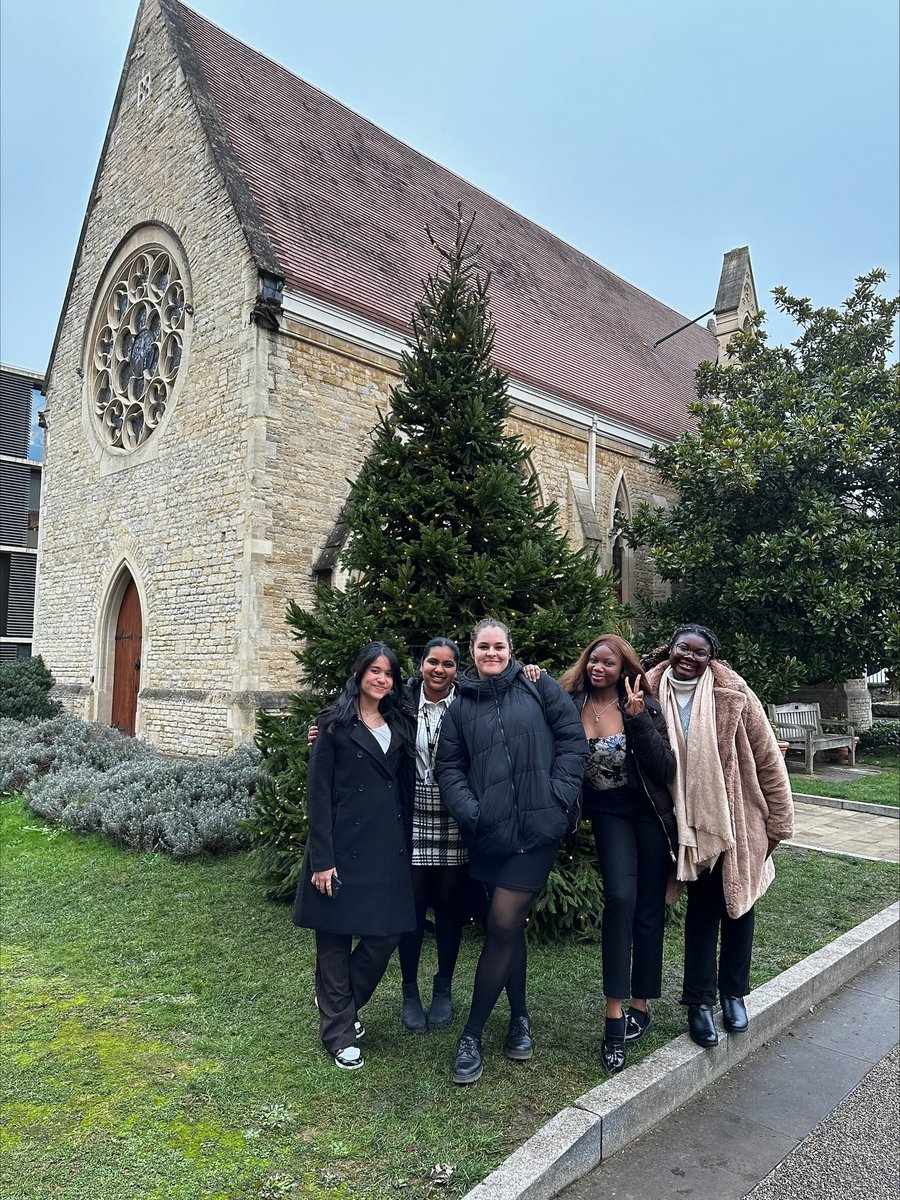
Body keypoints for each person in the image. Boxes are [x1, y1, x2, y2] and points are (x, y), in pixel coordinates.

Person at [435, 619, 588, 1084]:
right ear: (472, 651)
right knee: (508, 929)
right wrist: (472, 812)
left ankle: (472, 1035)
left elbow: (572, 741)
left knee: (502, 923)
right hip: (489, 833)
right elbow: (449, 767)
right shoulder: (460, 706)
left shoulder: (537, 687)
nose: (492, 653)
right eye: (483, 646)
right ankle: (520, 1018)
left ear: (510, 649)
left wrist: (558, 796)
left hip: (538, 830)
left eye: (499, 646)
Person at [644, 624, 794, 1047]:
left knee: (739, 905)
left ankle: (733, 993)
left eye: (700, 652)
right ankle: (699, 1002)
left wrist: (779, 822)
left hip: (736, 819)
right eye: (682, 648)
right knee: (703, 910)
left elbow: (767, 759)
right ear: (670, 650)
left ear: (711, 658)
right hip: (682, 821)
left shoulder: (736, 694)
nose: (689, 657)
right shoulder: (648, 690)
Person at [292, 642, 416, 1070]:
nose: (381, 679)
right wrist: (323, 860)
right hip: (340, 848)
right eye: (374, 671)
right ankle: (339, 1031)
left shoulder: (399, 722)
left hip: (387, 847)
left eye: (388, 674)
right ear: (359, 673)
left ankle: (338, 1002)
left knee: (386, 936)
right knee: (333, 939)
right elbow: (319, 793)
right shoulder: (332, 724)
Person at [558, 634, 676, 1072]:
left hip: (647, 814)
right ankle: (613, 1018)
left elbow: (666, 768)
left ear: (623, 667)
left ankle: (640, 1007)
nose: (598, 667)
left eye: (608, 662)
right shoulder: (571, 701)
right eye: (593, 660)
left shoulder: (644, 703)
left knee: (648, 908)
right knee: (620, 901)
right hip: (607, 816)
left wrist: (639, 719)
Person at [397, 637, 468, 1032]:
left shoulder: (468, 701)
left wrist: (533, 673)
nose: (439, 670)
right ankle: (410, 991)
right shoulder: (402, 700)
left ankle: (443, 987)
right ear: (421, 664)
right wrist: (324, 731)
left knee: (449, 908)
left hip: (454, 813)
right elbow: (360, 713)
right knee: (412, 907)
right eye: (432, 662)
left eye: (448, 664)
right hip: (413, 812)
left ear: (457, 669)